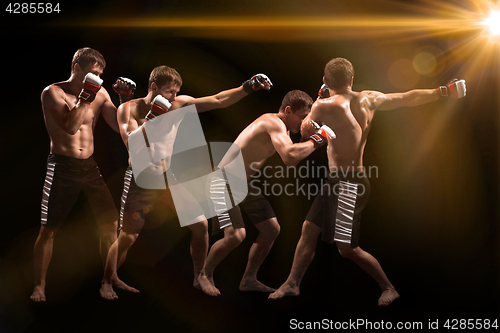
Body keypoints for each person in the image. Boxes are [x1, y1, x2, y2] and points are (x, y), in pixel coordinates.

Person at [269, 57, 466, 306]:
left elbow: (303, 135)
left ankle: (388, 288)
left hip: (347, 183)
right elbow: (408, 97)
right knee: (309, 230)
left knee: (346, 248)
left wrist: (317, 101)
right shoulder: (370, 98)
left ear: (325, 81)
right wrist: (444, 91)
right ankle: (292, 284)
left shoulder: (323, 105)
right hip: (342, 181)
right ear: (351, 80)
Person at [99, 65, 273, 300]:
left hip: (169, 176)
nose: (173, 97)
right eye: (169, 92)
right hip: (141, 178)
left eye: (176, 92)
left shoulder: (178, 104)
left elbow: (218, 99)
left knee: (201, 225)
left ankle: (199, 276)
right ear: (154, 87)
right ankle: (107, 282)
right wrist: (152, 118)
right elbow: (132, 144)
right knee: (128, 237)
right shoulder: (128, 109)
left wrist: (248, 87)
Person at [200, 90, 335, 295]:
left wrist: (310, 139)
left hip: (243, 182)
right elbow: (290, 157)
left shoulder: (285, 130)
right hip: (223, 180)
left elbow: (291, 159)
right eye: (301, 117)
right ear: (288, 110)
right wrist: (317, 139)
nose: (303, 122)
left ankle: (248, 279)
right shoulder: (272, 122)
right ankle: (204, 275)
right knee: (235, 235)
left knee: (271, 229)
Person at [31, 47, 135, 302]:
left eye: (100, 75)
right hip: (62, 166)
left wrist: (123, 100)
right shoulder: (52, 93)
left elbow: (120, 127)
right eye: (91, 73)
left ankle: (109, 280)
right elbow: (70, 126)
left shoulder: (99, 93)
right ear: (76, 68)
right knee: (49, 230)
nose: (96, 79)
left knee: (110, 225)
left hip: (89, 166)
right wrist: (87, 95)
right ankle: (39, 286)